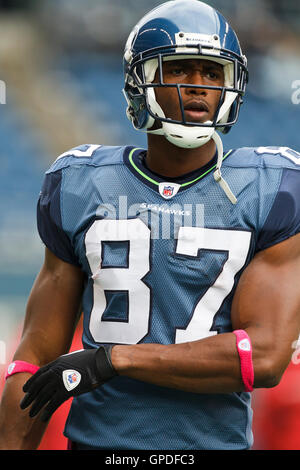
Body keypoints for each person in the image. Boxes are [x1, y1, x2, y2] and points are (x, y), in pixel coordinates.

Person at [0, 0, 300, 451]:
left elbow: (262, 357)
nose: (199, 86)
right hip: (95, 444)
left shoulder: (270, 186)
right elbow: (36, 357)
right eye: (180, 70)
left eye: (213, 73)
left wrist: (115, 360)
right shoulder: (81, 182)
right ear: (140, 83)